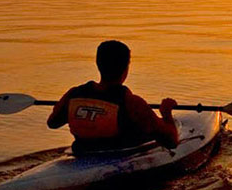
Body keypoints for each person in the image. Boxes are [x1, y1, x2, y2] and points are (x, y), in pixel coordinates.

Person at [47, 40, 179, 152]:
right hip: (121, 154)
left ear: (98, 64)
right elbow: (171, 142)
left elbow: (53, 123)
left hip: (83, 151)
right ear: (126, 68)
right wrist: (166, 113)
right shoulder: (132, 103)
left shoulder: (74, 95)